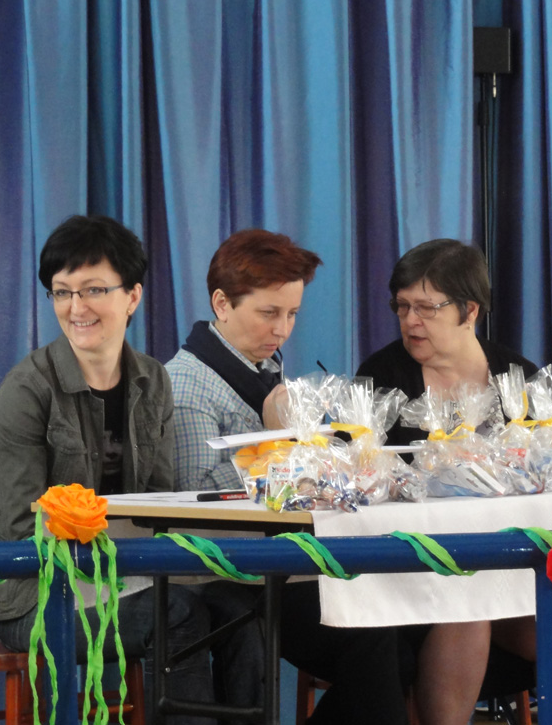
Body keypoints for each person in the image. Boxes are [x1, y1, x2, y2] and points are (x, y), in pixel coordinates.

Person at [0, 214, 214, 724]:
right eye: (62, 293)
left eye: (94, 290)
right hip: (33, 595)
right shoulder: (27, 389)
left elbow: (161, 504)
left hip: (121, 576)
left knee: (241, 612)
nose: (76, 308)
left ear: (133, 296)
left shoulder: (153, 380)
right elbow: (18, 525)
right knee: (180, 615)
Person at [166, 229, 411, 725]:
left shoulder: (262, 367)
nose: (282, 329)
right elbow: (195, 497)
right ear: (222, 303)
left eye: (292, 314)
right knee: (376, 636)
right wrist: (277, 442)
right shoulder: (188, 384)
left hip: (285, 559)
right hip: (227, 571)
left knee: (406, 631)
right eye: (269, 313)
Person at [357, 238, 552, 725]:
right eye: (402, 306)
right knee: (467, 615)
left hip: (510, 566)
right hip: (419, 569)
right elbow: (363, 483)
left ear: (469, 310)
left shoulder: (519, 377)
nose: (410, 321)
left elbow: (550, 477)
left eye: (426, 308)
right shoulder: (381, 377)